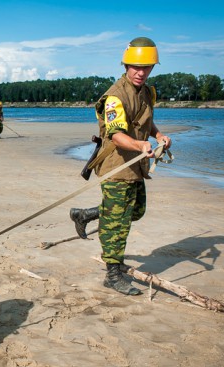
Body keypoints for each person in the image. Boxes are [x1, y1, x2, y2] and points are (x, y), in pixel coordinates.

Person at [69, 37, 172, 295]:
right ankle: (113, 275)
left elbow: (146, 122)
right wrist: (140, 146)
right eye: (135, 66)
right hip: (118, 164)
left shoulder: (149, 92)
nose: (140, 72)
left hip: (137, 165)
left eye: (146, 67)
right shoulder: (114, 97)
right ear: (125, 64)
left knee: (136, 211)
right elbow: (115, 135)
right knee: (119, 223)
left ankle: (86, 214)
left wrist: (158, 137)